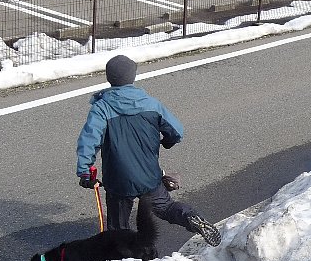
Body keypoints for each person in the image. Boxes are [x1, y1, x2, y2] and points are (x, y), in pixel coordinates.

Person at [76, 54, 221, 246]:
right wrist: (167, 141)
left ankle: (126, 256)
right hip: (149, 176)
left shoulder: (101, 108)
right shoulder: (151, 104)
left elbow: (89, 140)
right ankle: (190, 217)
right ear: (132, 76)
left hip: (118, 180)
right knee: (166, 207)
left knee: (118, 229)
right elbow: (177, 131)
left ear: (109, 77)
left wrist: (85, 172)